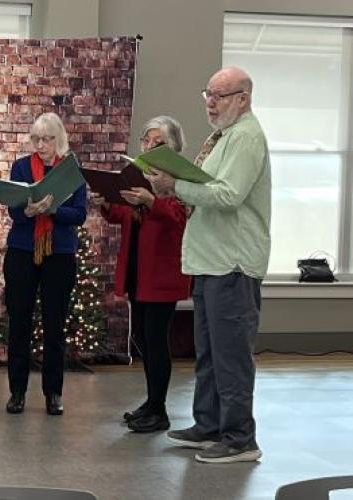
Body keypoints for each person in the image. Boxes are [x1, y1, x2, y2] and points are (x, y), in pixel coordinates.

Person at [147, 67, 271, 463]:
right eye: (208, 95)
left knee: (230, 355)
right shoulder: (224, 137)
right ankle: (209, 425)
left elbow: (229, 195)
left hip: (232, 262)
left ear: (243, 98)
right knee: (210, 352)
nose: (211, 103)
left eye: (219, 95)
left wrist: (175, 187)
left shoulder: (247, 137)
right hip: (211, 260)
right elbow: (209, 187)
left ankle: (240, 438)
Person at [90, 116, 191, 433]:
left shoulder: (178, 178)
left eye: (156, 142)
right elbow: (125, 214)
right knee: (142, 338)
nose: (149, 146)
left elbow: (181, 219)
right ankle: (151, 402)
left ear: (171, 147)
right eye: (146, 141)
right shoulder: (141, 173)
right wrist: (107, 200)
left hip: (161, 270)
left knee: (156, 340)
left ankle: (159, 409)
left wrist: (152, 200)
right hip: (137, 267)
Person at [3, 112, 87, 416]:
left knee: (54, 325)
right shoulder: (22, 166)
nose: (41, 145)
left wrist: (51, 210)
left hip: (60, 253)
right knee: (20, 323)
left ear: (59, 139)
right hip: (22, 250)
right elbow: (13, 211)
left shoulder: (70, 170)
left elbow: (79, 215)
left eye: (47, 139)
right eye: (36, 139)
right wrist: (27, 210)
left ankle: (53, 393)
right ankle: (17, 392)